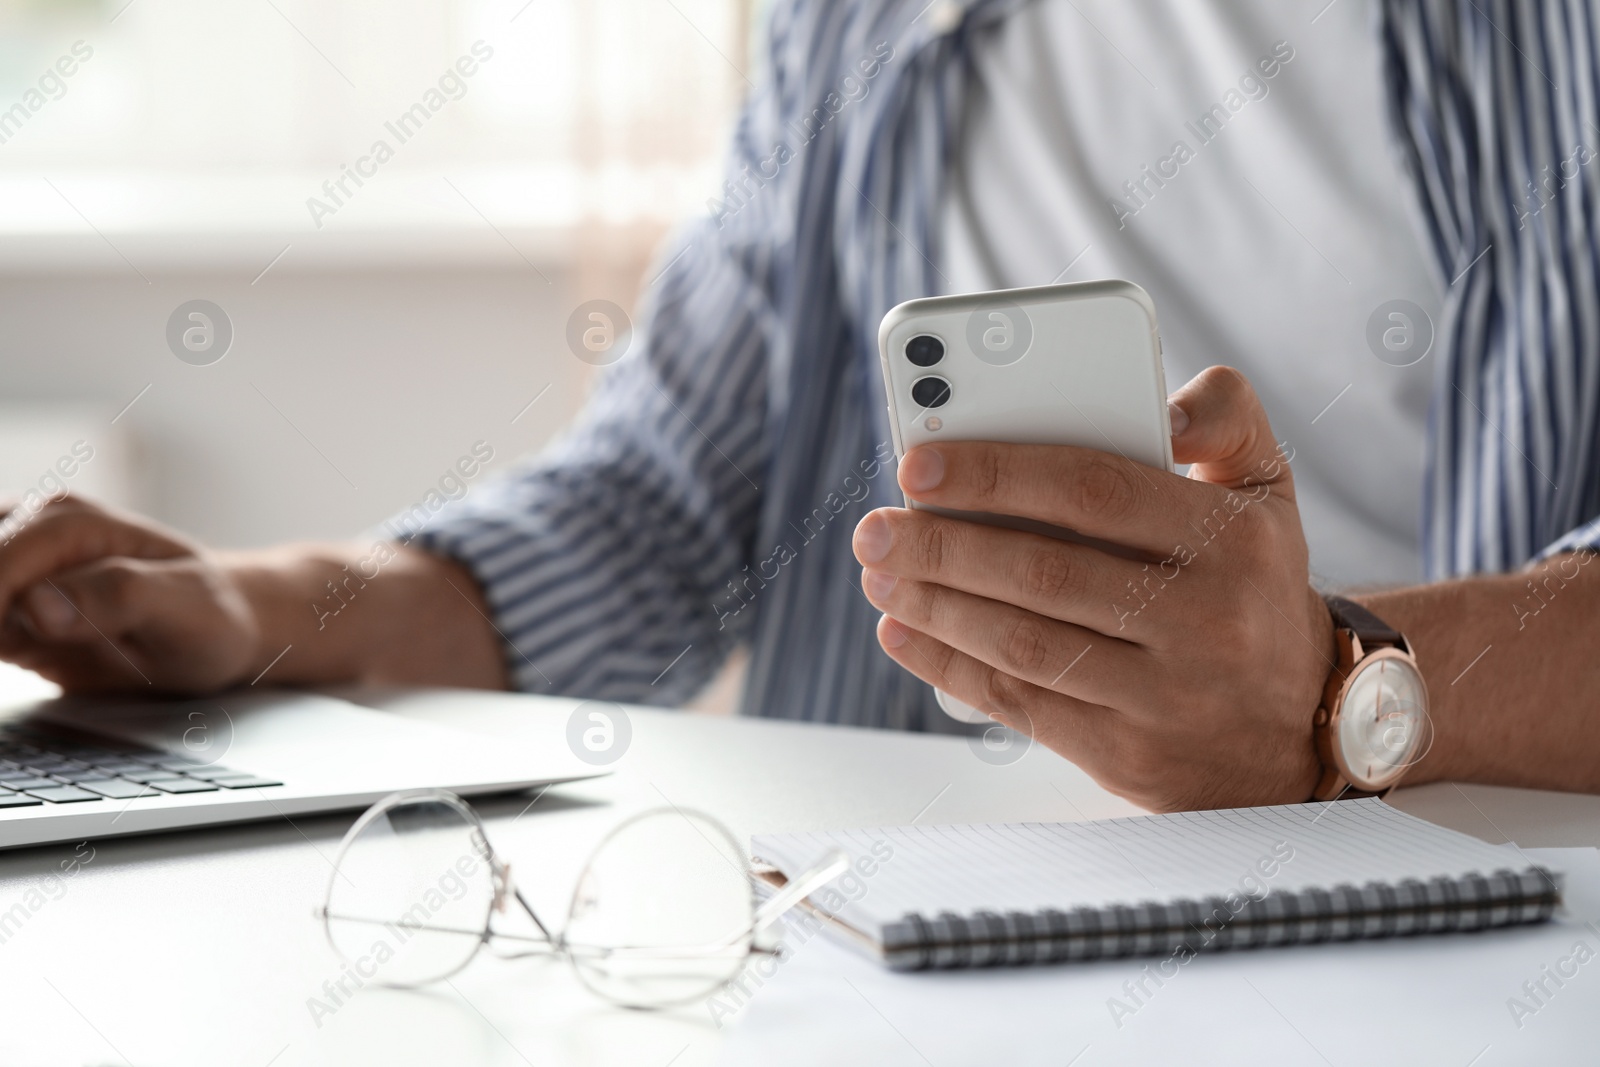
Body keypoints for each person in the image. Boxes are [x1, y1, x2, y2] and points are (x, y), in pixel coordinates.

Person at [2, 0, 1597, 811]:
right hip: (905, 928)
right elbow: (661, 508)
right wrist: (258, 607)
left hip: (1444, 895)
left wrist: (1336, 692)